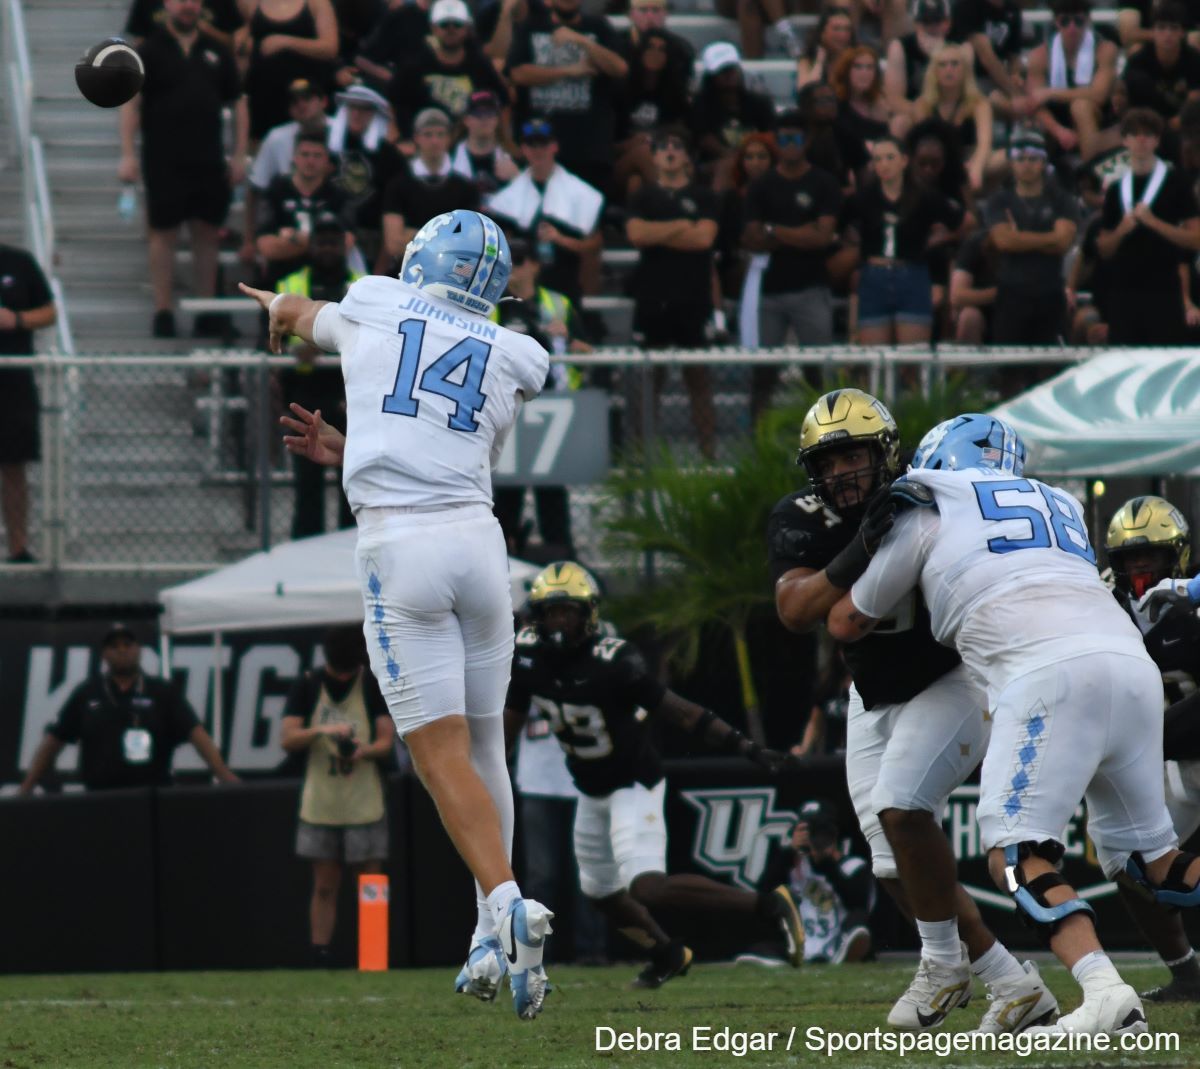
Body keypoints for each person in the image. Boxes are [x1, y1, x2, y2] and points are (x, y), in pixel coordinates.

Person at [238, 208, 554, 1020]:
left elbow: (301, 314)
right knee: (485, 746)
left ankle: (508, 905)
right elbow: (440, 441)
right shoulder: (516, 351)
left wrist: (275, 305)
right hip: (479, 544)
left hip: (401, 547)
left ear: (422, 259)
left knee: (439, 754)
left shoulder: (377, 299)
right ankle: (488, 932)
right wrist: (353, 448)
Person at [827, 413, 1200, 1035]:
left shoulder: (927, 502)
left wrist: (851, 561)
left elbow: (846, 621)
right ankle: (1103, 990)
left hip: (1048, 673)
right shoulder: (1060, 502)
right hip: (1131, 667)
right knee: (1158, 862)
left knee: (1015, 852)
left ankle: (1104, 992)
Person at [770, 390, 1053, 1034]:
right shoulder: (802, 516)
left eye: (853, 455)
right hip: (871, 692)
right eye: (827, 461)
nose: (841, 472)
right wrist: (859, 546)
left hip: (953, 676)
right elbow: (794, 609)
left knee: (902, 808)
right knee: (892, 864)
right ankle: (1014, 984)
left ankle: (942, 966)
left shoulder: (932, 497)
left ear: (886, 452)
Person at [504, 561, 806, 988]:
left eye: (567, 611)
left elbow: (681, 713)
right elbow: (510, 721)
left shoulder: (613, 661)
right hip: (590, 788)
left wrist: (747, 748)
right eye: (550, 612)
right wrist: (484, 768)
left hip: (634, 783)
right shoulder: (527, 657)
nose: (558, 622)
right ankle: (668, 953)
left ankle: (769, 905)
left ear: (587, 613)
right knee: (600, 893)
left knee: (646, 887)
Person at [1104, 496, 1200, 1004]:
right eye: (1130, 558)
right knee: (1126, 861)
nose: (1141, 567)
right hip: (1161, 762)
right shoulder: (1102, 605)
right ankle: (1186, 972)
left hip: (1183, 742)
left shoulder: (1192, 601)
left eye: (1152, 556)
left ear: (1177, 556)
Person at [118, 0, 249, 339]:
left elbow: (238, 101)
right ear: (167, 4)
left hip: (208, 158)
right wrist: (127, 154)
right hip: (163, 159)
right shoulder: (149, 50)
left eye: (193, 1)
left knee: (207, 232)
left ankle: (206, 310)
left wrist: (238, 155)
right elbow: (131, 103)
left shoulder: (217, 50)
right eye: (180, 0)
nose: (187, 6)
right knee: (163, 233)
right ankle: (163, 310)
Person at [281, 625, 394, 966]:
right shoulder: (307, 685)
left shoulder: (371, 685)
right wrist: (322, 731)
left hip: (364, 800)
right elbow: (287, 738)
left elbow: (386, 742)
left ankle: (374, 956)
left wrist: (363, 751)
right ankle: (320, 954)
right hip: (322, 803)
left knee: (370, 881)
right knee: (325, 884)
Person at [20, 623, 239, 793]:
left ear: (139, 650)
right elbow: (53, 741)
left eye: (127, 645)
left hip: (151, 798)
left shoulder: (161, 692)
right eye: (114, 646)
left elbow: (196, 734)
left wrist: (222, 773)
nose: (122, 650)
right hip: (100, 798)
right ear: (104, 654)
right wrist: (28, 786)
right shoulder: (87, 693)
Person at [490, 238, 590, 559]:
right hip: (507, 413)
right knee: (506, 497)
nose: (512, 270)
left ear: (535, 264)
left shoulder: (558, 304)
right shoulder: (490, 305)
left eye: (519, 261)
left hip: (550, 410)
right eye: (506, 263)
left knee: (552, 495)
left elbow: (588, 352)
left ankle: (562, 562)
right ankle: (501, 560)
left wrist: (568, 339)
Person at [626, 126, 720, 458]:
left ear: (687, 156)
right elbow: (637, 235)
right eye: (663, 146)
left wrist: (659, 233)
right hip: (653, 299)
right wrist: (681, 225)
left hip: (693, 299)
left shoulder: (705, 196)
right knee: (650, 379)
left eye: (677, 146)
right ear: (653, 156)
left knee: (699, 378)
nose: (670, 151)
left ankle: (708, 455)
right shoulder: (642, 197)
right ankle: (643, 457)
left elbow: (704, 239)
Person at [742, 109, 840, 419]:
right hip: (770, 291)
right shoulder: (761, 185)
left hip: (811, 288)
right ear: (776, 142)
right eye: (784, 139)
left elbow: (822, 237)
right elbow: (752, 238)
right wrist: (802, 232)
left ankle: (826, 434)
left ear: (806, 141)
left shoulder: (823, 182)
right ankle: (758, 438)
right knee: (764, 373)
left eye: (796, 139)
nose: (790, 145)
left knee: (818, 371)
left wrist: (774, 230)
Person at [275, 212, 359, 538]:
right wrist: (297, 350)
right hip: (306, 395)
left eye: (333, 242)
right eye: (321, 242)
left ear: (344, 245)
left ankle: (349, 555)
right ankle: (305, 555)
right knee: (307, 488)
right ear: (311, 246)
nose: (327, 249)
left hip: (351, 399)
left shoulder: (364, 286)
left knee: (353, 488)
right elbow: (270, 340)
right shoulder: (290, 286)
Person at [844, 135, 964, 347]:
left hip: (912, 274)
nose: (884, 164)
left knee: (912, 357)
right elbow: (838, 224)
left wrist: (934, 240)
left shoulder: (924, 196)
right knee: (876, 357)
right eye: (878, 159)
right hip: (874, 276)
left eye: (890, 157)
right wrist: (858, 244)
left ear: (904, 160)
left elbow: (963, 221)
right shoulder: (864, 197)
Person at [1097, 107, 1200, 345]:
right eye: (1134, 134)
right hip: (1124, 291)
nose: (1141, 140)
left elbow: (1196, 239)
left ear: (1157, 140)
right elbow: (1103, 249)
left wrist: (1155, 223)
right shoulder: (1115, 189)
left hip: (1164, 289)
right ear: (1125, 140)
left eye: (1148, 134)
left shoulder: (1178, 183)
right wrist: (1121, 231)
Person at [506, 0, 629, 195]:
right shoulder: (531, 26)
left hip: (589, 149)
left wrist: (582, 40)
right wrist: (569, 71)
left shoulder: (598, 26)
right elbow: (518, 74)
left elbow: (619, 68)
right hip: (540, 145)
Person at [982, 127, 1079, 360]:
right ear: (1011, 163)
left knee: (1049, 367)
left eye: (1033, 158)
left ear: (1043, 162)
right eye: (1020, 158)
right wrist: (1048, 238)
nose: (1026, 164)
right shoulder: (999, 200)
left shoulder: (1062, 199)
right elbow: (1003, 241)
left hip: (1050, 293)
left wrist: (1020, 238)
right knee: (1008, 367)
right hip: (1011, 293)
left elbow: (1063, 242)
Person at [487, 118, 604, 304]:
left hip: (564, 284)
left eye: (543, 144)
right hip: (520, 292)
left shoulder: (582, 194)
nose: (537, 150)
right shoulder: (506, 198)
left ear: (554, 146)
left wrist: (559, 239)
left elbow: (593, 246)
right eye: (531, 145)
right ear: (523, 149)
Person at [756, 801, 875, 964]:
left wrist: (827, 863)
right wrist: (790, 852)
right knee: (760, 947)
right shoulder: (791, 868)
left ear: (834, 833)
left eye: (820, 831)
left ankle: (842, 955)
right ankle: (784, 960)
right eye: (808, 831)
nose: (814, 837)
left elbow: (859, 904)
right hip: (800, 942)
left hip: (840, 940)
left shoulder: (853, 866)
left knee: (858, 924)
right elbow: (763, 896)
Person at [0, 243, 56, 564]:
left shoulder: (18, 261)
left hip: (14, 378)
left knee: (13, 463)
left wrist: (17, 320)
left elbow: (49, 312)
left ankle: (18, 546)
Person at [387, 0, 508, 137]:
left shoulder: (480, 65)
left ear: (467, 28)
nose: (451, 29)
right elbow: (394, 99)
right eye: (444, 24)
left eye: (457, 24)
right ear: (433, 28)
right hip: (424, 142)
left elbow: (503, 100)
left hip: (467, 142)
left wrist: (502, 137)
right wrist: (400, 139)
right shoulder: (415, 64)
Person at [379, 109, 481, 271]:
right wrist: (447, 237)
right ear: (416, 138)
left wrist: (413, 235)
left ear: (449, 138)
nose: (435, 141)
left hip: (451, 272)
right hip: (407, 270)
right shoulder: (398, 185)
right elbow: (394, 244)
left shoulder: (466, 188)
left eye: (440, 134)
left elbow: (469, 242)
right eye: (428, 134)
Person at [243, 79, 331, 267]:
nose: (301, 105)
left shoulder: (342, 130)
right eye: (294, 101)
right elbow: (256, 188)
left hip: (331, 212)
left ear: (323, 101)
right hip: (286, 219)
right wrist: (249, 240)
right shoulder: (277, 137)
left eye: (307, 98)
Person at [1022, 0, 1119, 158]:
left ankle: (1088, 166)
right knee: (1025, 109)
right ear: (1056, 22)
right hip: (1056, 120)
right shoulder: (1039, 56)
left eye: (1078, 21)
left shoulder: (1104, 49)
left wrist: (1050, 92)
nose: (1072, 28)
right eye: (1065, 21)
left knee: (1080, 106)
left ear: (1087, 21)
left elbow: (1099, 95)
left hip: (1097, 119)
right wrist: (1059, 131)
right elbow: (1034, 103)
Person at [238, 0, 339, 143]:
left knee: (306, 143)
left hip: (303, 93)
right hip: (263, 94)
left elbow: (330, 47)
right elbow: (244, 37)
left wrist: (286, 42)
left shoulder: (316, 3)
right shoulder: (253, 4)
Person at [257, 133, 350, 287]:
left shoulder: (338, 195)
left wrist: (293, 238)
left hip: (327, 284)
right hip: (281, 281)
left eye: (317, 155)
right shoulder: (276, 191)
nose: (310, 161)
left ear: (327, 160)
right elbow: (266, 247)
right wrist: (322, 242)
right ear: (294, 157)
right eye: (305, 154)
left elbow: (346, 243)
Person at [912, 44, 993, 193]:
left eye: (955, 64)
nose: (949, 69)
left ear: (965, 70)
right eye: (942, 64)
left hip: (970, 156)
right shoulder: (923, 105)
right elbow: (925, 143)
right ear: (934, 71)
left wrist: (976, 166)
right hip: (937, 160)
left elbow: (984, 143)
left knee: (1005, 158)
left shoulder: (979, 103)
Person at [1123, 1, 1200, 127]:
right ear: (1153, 31)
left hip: (1184, 123)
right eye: (1161, 28)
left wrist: (1178, 120)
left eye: (1174, 28)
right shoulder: (1138, 61)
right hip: (1146, 124)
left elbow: (1195, 98)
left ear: (1182, 32)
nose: (1168, 34)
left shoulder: (1194, 59)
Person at [885, 0, 952, 128]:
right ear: (916, 24)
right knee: (900, 123)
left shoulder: (958, 47)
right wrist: (925, 114)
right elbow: (894, 100)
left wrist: (938, 58)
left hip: (949, 111)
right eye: (926, 22)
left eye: (937, 21)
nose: (932, 27)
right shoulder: (900, 47)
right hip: (912, 111)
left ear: (948, 23)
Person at [452, 91, 522, 199]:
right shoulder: (450, 157)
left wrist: (517, 177)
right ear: (466, 120)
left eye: (490, 113)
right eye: (478, 113)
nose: (484, 119)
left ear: (497, 119)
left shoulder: (515, 158)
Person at [796, 6, 856, 93]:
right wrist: (819, 61)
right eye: (836, 29)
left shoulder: (857, 59)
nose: (843, 35)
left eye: (847, 29)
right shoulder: (807, 60)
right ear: (822, 32)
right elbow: (806, 91)